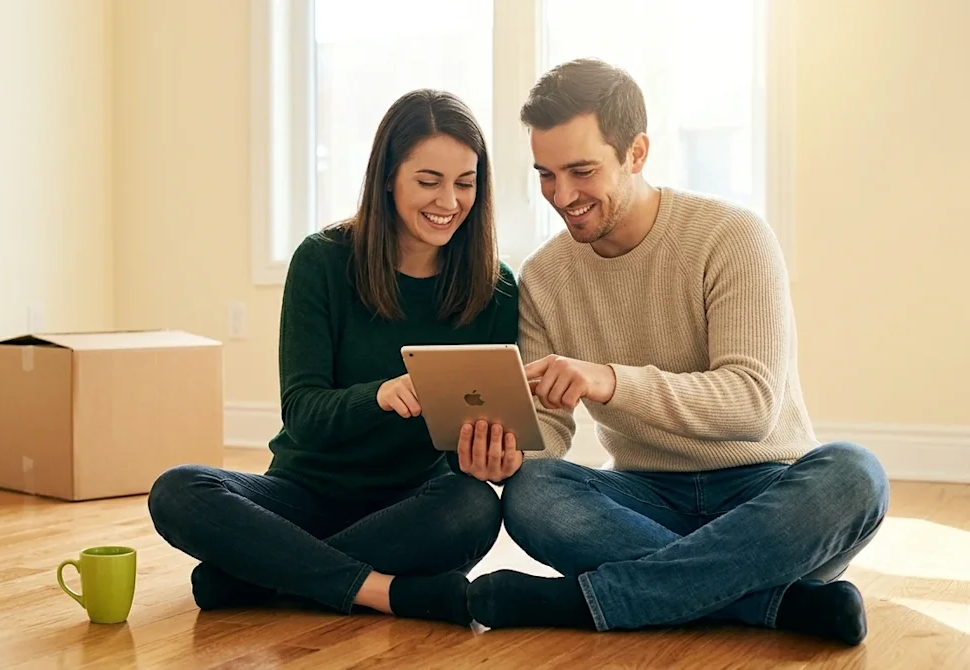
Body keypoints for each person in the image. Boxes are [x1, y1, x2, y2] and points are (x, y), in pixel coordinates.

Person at [461, 58, 890, 646]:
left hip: (765, 491)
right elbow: (548, 432)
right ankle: (770, 604)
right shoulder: (545, 276)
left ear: (636, 152)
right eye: (546, 175)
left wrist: (611, 381)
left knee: (856, 475)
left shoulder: (731, 236)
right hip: (646, 497)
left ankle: (589, 603)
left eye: (582, 171)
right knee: (534, 493)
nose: (562, 195)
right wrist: (508, 454)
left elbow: (752, 404)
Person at [147, 89, 521, 627]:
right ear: (387, 176)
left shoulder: (494, 286)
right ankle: (379, 592)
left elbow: (471, 439)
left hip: (409, 509)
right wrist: (380, 395)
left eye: (465, 183)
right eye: (428, 181)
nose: (449, 201)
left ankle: (260, 578)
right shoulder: (322, 260)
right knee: (178, 490)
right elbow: (302, 412)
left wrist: (488, 459)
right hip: (305, 494)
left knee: (476, 506)